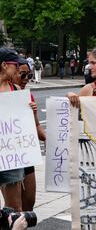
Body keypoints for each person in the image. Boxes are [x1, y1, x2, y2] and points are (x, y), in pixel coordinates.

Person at [13, 59, 46, 211]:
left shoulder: (28, 96)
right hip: (8, 157)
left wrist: (52, 140)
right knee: (14, 207)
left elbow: (37, 126)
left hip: (25, 155)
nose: (27, 78)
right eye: (23, 74)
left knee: (29, 203)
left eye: (29, 75)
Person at [0, 49, 25, 210]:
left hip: (10, 154)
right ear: (3, 65)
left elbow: (21, 121)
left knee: (14, 209)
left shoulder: (15, 89)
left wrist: (30, 110)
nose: (18, 68)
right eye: (15, 64)